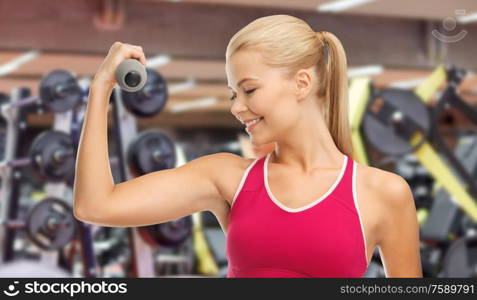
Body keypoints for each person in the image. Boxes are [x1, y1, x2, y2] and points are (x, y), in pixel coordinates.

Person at [73, 15, 422, 278]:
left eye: (249, 90)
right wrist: (100, 89)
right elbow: (96, 206)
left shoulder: (383, 193)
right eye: (232, 94)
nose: (236, 107)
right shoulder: (227, 177)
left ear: (302, 83)